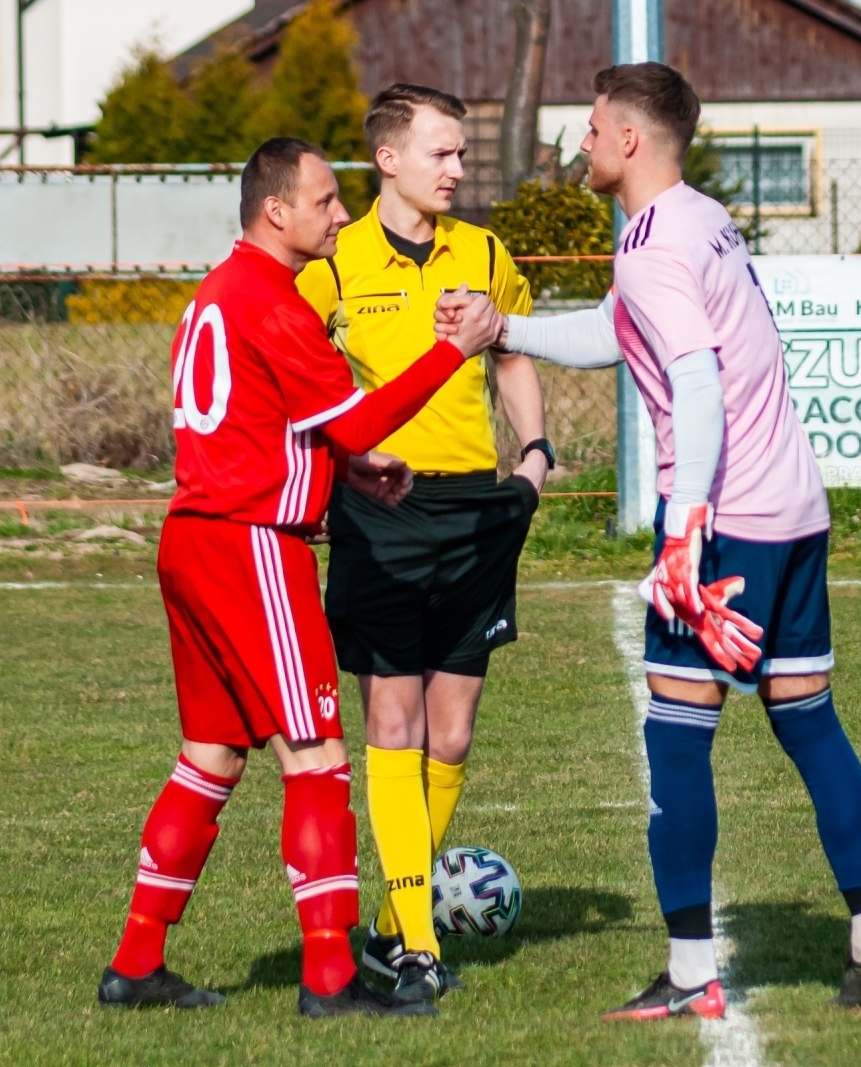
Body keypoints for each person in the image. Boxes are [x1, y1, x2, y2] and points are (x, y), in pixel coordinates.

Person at [436, 63, 861, 1018]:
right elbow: (624, 335)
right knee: (808, 720)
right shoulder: (695, 220)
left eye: (591, 128)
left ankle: (693, 974)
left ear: (628, 140)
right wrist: (509, 329)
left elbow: (693, 381)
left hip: (725, 518)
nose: (579, 143)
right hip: (792, 507)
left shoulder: (652, 246)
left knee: (677, 738)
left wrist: (686, 524)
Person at [96, 136, 504, 1019]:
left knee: (209, 757)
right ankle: (330, 979)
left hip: (194, 537)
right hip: (252, 545)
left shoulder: (221, 290)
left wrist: (343, 473)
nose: (341, 215)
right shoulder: (274, 301)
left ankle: (136, 963)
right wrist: (452, 352)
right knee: (317, 755)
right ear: (276, 212)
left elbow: (264, 422)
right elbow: (362, 416)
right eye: (324, 202)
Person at [296, 84, 549, 1012]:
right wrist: (342, 465)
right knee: (393, 726)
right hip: (382, 516)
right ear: (388, 159)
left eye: (462, 152)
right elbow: (302, 393)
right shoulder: (331, 263)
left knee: (453, 732)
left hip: (480, 511)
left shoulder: (482, 252)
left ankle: (393, 922)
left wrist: (534, 456)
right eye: (442, 152)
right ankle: (416, 944)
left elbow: (512, 352)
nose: (458, 168)